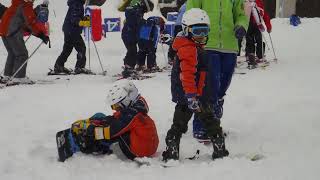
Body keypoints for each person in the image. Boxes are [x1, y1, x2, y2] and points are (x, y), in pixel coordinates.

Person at [162, 8, 229, 162]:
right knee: (203, 123)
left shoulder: (191, 46)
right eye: (198, 31)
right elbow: (187, 75)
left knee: (189, 123)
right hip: (193, 97)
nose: (202, 36)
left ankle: (173, 151)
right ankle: (218, 149)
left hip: (193, 96)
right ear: (187, 31)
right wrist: (191, 97)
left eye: (205, 31)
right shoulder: (189, 50)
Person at [187, 0, 249, 142]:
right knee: (208, 87)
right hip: (208, 44)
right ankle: (202, 126)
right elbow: (191, 13)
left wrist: (241, 26)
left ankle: (214, 118)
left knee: (222, 87)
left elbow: (240, 15)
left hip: (229, 46)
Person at [70, 79, 159, 160]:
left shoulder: (131, 115)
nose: (115, 108)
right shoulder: (136, 107)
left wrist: (90, 129)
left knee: (105, 134)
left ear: (126, 100)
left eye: (116, 105)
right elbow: (118, 119)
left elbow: (110, 131)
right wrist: (99, 121)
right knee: (102, 118)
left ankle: (87, 146)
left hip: (138, 151)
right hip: (147, 145)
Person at [0, 0, 50, 84]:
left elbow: (24, 18)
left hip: (4, 32)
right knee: (22, 54)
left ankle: (8, 75)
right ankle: (19, 77)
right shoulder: (25, 6)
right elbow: (30, 22)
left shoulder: (17, 4)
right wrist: (40, 34)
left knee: (12, 53)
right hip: (13, 33)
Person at [53, 0, 91, 75]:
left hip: (69, 29)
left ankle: (59, 65)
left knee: (67, 49)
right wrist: (82, 22)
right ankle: (79, 67)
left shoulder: (76, 3)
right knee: (81, 48)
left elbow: (76, 16)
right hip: (72, 30)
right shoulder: (77, 3)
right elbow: (74, 18)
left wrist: (84, 19)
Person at [121, 0, 154, 78]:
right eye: (146, 10)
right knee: (132, 51)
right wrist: (146, 23)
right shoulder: (135, 10)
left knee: (132, 50)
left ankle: (129, 66)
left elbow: (137, 23)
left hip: (130, 34)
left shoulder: (136, 10)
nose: (145, 12)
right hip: (128, 34)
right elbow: (137, 22)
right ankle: (128, 68)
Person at [245, 0, 272, 69]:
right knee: (251, 40)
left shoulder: (259, 2)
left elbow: (264, 14)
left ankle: (256, 56)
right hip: (249, 24)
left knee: (256, 40)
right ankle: (253, 57)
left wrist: (268, 26)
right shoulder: (245, 2)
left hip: (256, 24)